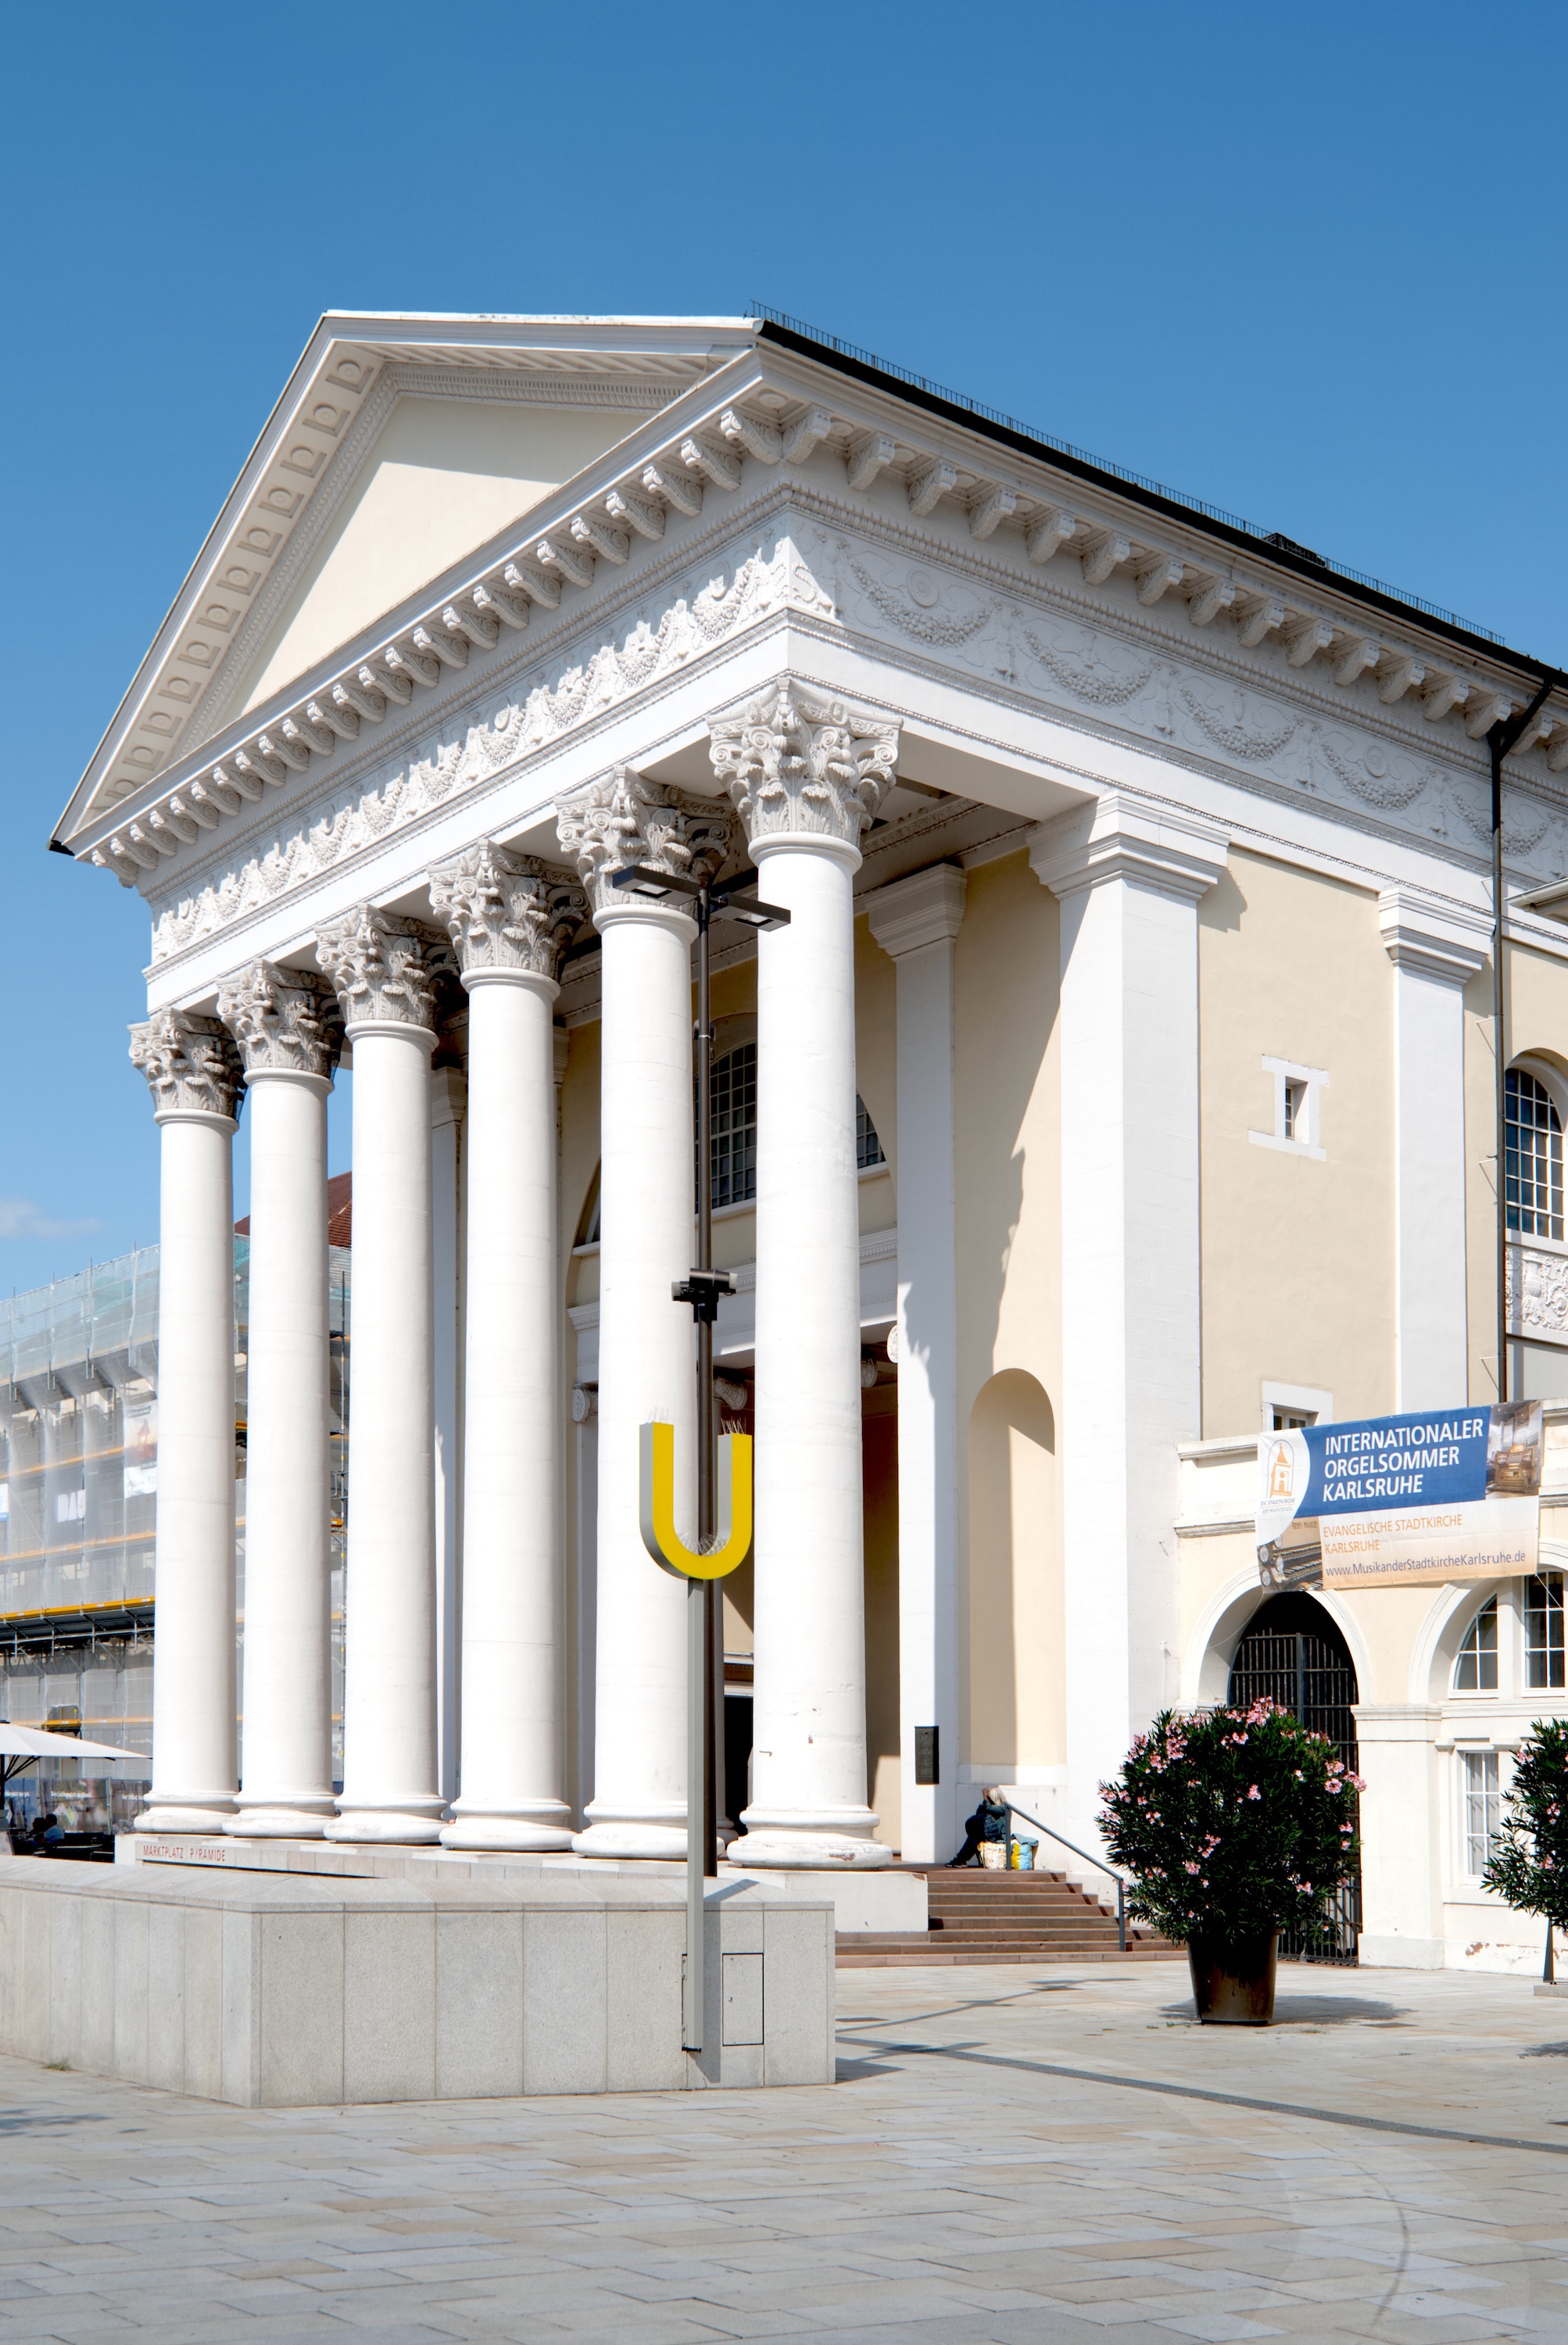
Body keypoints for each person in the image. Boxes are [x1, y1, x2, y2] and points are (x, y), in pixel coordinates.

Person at [949, 1787, 1011, 1867]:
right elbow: (978, 1813)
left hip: (999, 1836)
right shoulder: (989, 1807)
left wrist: (984, 1796)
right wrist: (983, 1803)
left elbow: (989, 1808)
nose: (987, 1799)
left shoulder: (1004, 1808)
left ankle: (961, 1859)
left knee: (976, 1837)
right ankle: (961, 1859)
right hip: (991, 1833)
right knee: (974, 1836)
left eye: (989, 1798)